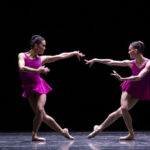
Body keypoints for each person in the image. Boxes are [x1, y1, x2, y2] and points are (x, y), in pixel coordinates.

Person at [18, 35, 85, 141]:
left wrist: (74, 53)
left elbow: (60, 56)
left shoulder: (42, 59)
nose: (45, 48)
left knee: (40, 109)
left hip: (39, 86)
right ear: (36, 45)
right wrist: (37, 71)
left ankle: (34, 135)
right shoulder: (22, 55)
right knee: (42, 116)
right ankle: (63, 132)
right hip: (28, 88)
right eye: (43, 46)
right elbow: (21, 67)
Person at [85, 41, 150, 140]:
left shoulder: (148, 63)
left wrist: (122, 78)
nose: (128, 52)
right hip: (129, 87)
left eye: (129, 50)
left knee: (119, 112)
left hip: (139, 90)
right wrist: (95, 59)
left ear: (135, 51)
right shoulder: (131, 63)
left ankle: (101, 127)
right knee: (124, 108)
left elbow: (139, 77)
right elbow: (111, 62)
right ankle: (100, 129)